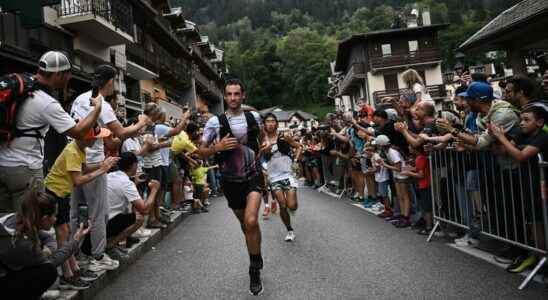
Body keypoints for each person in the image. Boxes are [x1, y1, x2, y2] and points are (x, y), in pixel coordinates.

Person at [70, 64, 152, 271]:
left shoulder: (79, 99)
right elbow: (122, 132)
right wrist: (141, 122)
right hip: (94, 160)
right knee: (98, 212)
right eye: (114, 81)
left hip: (73, 159)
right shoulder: (102, 104)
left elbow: (110, 140)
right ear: (109, 82)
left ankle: (75, 256)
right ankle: (97, 257)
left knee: (74, 213)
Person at [0, 51, 102, 214]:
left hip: (3, 164)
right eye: (67, 74)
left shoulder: (22, 86)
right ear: (57, 74)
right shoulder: (47, 103)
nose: (69, 78)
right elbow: (80, 132)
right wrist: (97, 108)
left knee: (5, 223)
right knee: (29, 223)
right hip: (25, 169)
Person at [198, 78, 264, 296]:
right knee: (247, 227)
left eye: (237, 94)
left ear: (243, 95)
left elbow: (260, 140)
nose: (233, 98)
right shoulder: (214, 122)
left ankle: (254, 269)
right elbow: (200, 151)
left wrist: (259, 157)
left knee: (251, 220)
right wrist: (216, 147)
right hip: (230, 180)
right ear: (225, 96)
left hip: (253, 176)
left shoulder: (253, 117)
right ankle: (256, 252)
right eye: (229, 94)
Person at [44, 127, 117, 288]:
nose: (97, 140)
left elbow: (83, 169)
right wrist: (102, 170)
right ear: (85, 139)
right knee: (62, 233)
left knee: (67, 231)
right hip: (55, 192)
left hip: (61, 192)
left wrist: (102, 164)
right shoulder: (73, 151)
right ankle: (68, 274)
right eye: (95, 138)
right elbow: (78, 180)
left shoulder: (79, 148)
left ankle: (74, 269)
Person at [0, 180, 89, 299]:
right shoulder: (22, 245)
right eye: (54, 215)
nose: (56, 219)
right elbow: (53, 261)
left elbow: (46, 237)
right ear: (45, 218)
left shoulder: (16, 218)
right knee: (47, 272)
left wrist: (48, 249)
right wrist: (76, 239)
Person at [90, 152, 161, 260]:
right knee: (139, 218)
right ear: (134, 165)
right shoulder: (126, 183)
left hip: (96, 222)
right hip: (106, 223)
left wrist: (135, 183)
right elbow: (145, 209)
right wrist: (154, 190)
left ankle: (111, 243)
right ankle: (110, 245)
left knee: (125, 212)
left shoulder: (109, 175)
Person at [260, 113, 302, 242]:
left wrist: (295, 160)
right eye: (268, 121)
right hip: (273, 176)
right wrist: (263, 164)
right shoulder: (261, 140)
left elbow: (299, 147)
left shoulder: (284, 137)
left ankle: (293, 208)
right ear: (264, 124)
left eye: (273, 121)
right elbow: (258, 157)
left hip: (288, 173)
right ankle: (290, 230)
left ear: (276, 123)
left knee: (292, 205)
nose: (271, 123)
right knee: (282, 205)